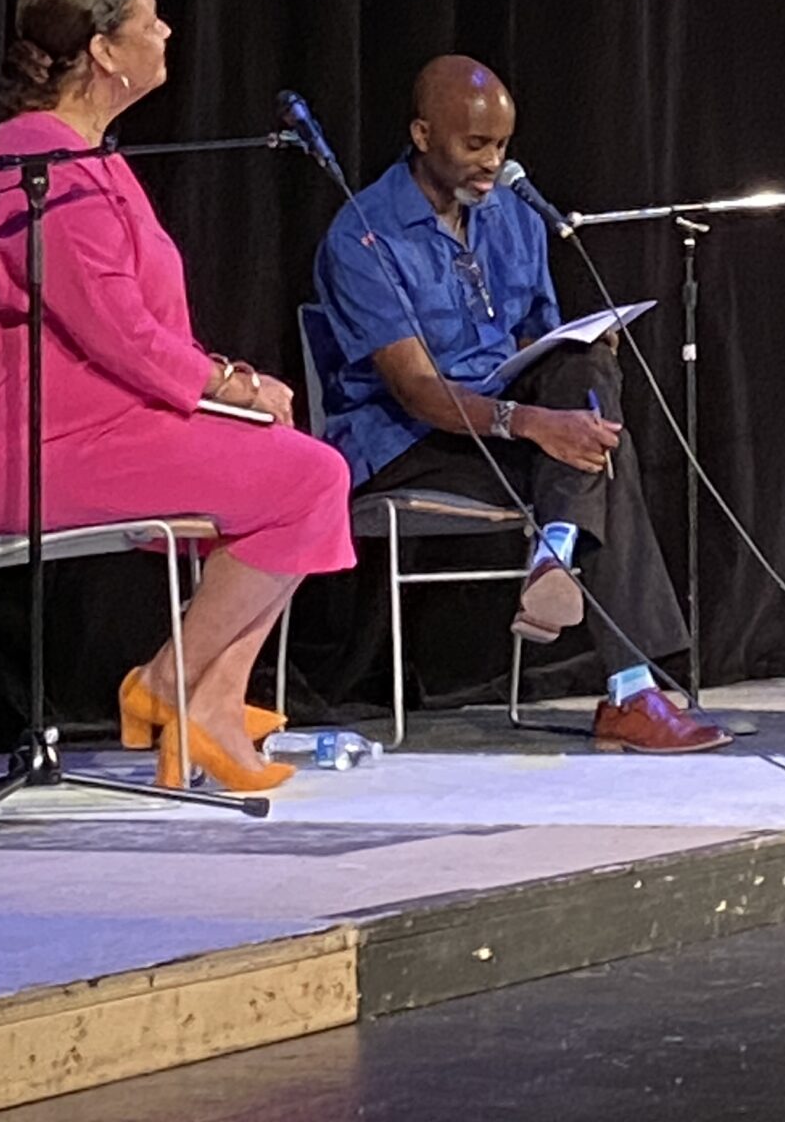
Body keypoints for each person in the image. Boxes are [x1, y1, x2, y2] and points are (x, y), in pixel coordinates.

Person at [0, 0, 356, 791]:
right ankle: (168, 684)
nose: (167, 31)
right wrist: (229, 386)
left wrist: (232, 387)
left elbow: (148, 327)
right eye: (149, 19)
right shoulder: (35, 161)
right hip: (38, 450)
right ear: (103, 51)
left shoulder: (95, 155)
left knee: (291, 465)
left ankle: (212, 707)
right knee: (307, 478)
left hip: (101, 426)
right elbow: (117, 330)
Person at [309, 55, 725, 752]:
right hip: (406, 442)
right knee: (592, 458)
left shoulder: (513, 215)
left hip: (503, 421)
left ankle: (557, 551)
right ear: (421, 133)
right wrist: (533, 424)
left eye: (501, 146)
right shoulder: (363, 234)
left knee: (584, 372)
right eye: (475, 145)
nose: (492, 163)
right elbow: (414, 388)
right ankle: (631, 688)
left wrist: (583, 368)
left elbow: (542, 341)